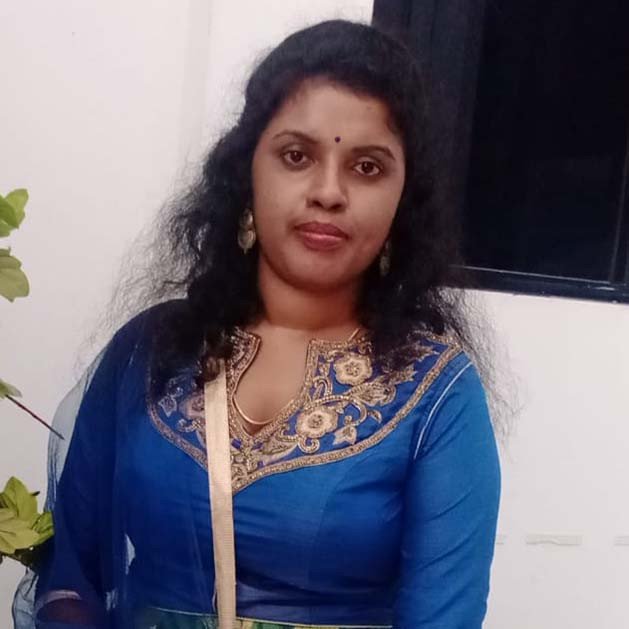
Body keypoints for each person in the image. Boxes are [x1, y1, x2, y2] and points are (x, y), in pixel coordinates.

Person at [14, 19, 501, 629]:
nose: (329, 192)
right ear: (247, 172)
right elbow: (72, 573)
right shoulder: (152, 352)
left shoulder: (436, 394)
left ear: (404, 201)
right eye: (297, 156)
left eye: (367, 167)